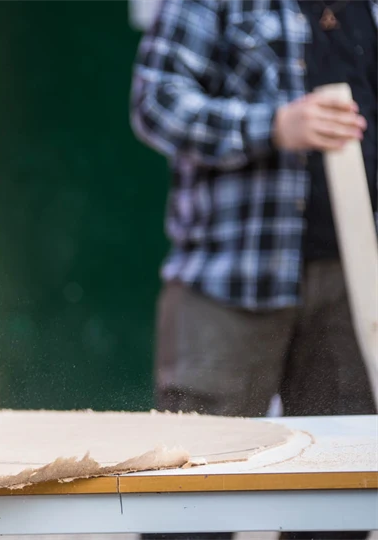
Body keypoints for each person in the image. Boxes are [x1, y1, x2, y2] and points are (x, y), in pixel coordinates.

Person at [131, 0, 376, 539]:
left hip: (355, 287)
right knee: (189, 494)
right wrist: (274, 125)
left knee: (336, 502)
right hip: (229, 277)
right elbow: (156, 103)